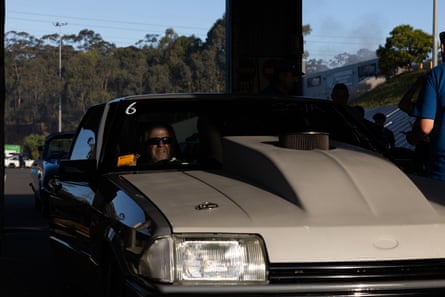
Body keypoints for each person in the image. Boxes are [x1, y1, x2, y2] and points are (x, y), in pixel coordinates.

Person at [407, 31, 445, 181]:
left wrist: (414, 137)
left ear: (442, 47)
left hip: (441, 169)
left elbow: (425, 127)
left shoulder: (436, 75)